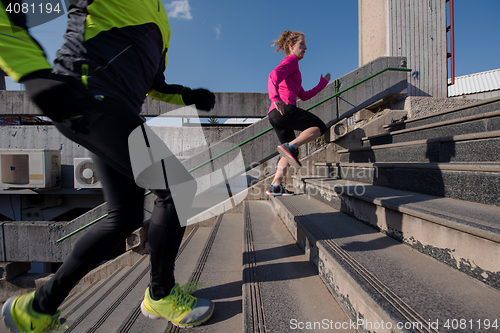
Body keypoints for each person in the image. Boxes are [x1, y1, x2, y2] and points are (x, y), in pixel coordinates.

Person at [0, 0, 216, 331]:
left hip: (115, 108)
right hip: (86, 93)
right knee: (178, 187)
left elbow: (153, 81)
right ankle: (161, 294)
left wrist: (187, 95)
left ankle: (36, 308)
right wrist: (33, 74)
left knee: (125, 216)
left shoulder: (161, 20)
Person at [266, 30, 331, 196]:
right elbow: (273, 75)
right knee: (320, 127)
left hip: (275, 115)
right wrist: (275, 97)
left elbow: (304, 95)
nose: (305, 48)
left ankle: (275, 185)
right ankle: (291, 146)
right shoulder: (292, 60)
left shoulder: (294, 71)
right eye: (301, 44)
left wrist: (322, 84)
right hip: (284, 109)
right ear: (291, 46)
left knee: (287, 154)